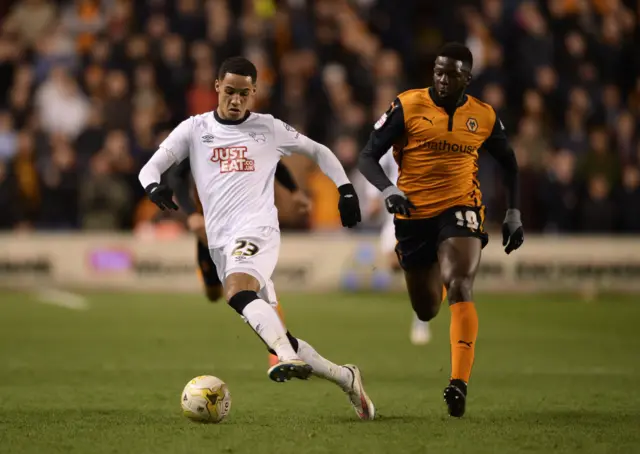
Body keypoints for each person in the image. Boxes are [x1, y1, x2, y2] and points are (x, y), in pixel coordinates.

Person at [138, 56, 375, 420]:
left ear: (254, 93)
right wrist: (153, 185)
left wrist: (345, 188)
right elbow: (150, 166)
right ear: (217, 86)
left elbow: (319, 151)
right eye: (229, 91)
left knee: (237, 292)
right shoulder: (194, 129)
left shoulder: (269, 128)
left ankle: (286, 355)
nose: (236, 100)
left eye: (244, 94)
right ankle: (346, 376)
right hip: (220, 243)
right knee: (274, 326)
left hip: (258, 231)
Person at [358, 43, 524, 418]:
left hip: (461, 207)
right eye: (437, 71)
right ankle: (439, 276)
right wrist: (389, 189)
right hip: (413, 214)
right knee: (427, 307)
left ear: (468, 77)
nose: (442, 79)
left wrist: (513, 212)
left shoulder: (482, 115)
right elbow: (366, 156)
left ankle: (458, 383)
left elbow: (510, 164)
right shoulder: (408, 105)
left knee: (461, 283)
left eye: (450, 73)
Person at [169, 158, 311, 368]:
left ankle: (279, 350)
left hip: (243, 226)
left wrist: (294, 191)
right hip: (208, 227)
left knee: (253, 286)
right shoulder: (200, 135)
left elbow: (275, 164)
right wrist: (191, 214)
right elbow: (176, 175)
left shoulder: (250, 137)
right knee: (213, 293)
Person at [365, 149, 432, 345]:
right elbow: (374, 159)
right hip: (394, 208)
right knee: (393, 261)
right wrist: (373, 197)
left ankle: (421, 320)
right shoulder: (392, 134)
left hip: (420, 205)